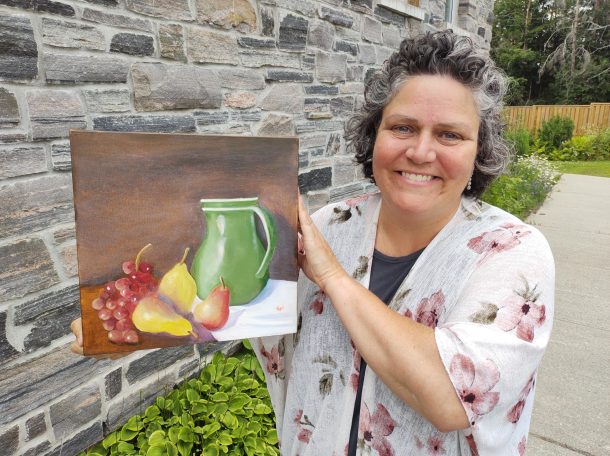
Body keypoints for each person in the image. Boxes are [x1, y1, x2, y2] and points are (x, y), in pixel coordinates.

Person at [72, 31, 554, 455]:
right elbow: (262, 322)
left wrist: (331, 278)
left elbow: (454, 399)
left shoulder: (512, 251)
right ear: (375, 133)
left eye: (449, 134)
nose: (421, 151)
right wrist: (133, 325)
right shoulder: (333, 224)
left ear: (480, 152)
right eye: (402, 127)